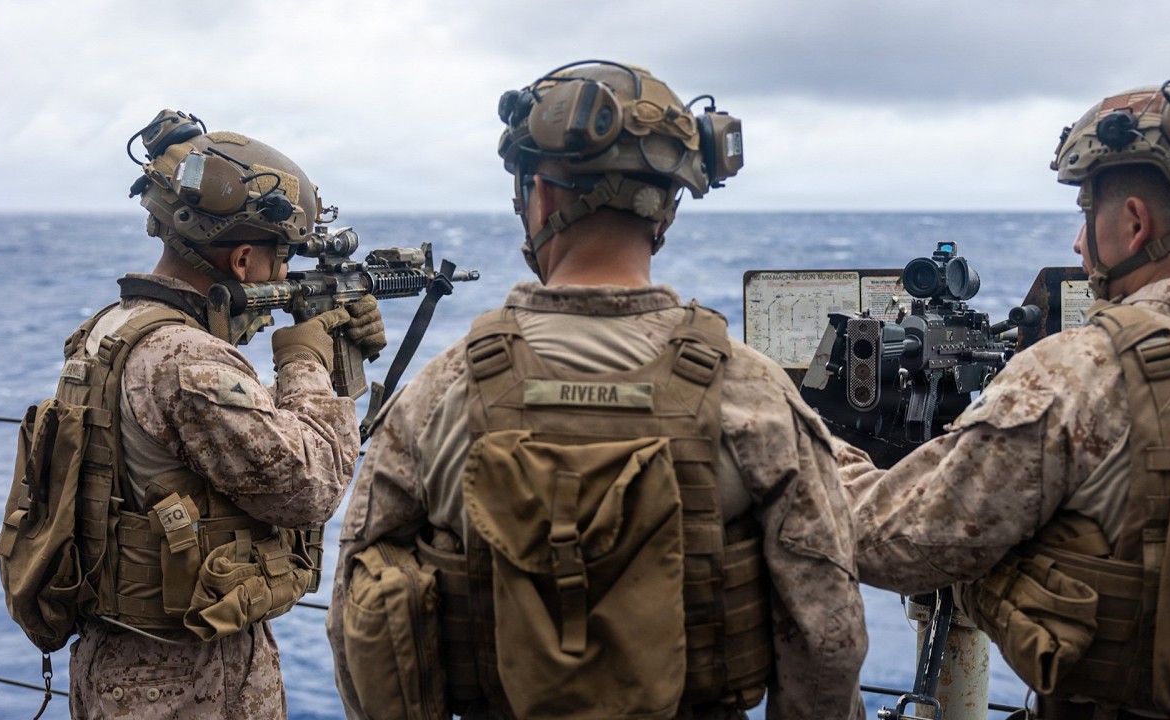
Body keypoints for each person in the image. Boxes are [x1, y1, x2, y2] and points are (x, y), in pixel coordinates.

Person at [327, 61, 867, 720]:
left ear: (541, 199)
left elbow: (358, 613)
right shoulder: (752, 391)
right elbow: (827, 634)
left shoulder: (439, 392)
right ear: (666, 207)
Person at [838, 79, 1170, 718]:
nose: (1077, 243)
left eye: (1084, 212)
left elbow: (892, 540)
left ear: (1133, 221)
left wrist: (816, 446)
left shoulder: (1082, 370)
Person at [26, 110, 383, 718]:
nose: (286, 277)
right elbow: (310, 487)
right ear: (242, 263)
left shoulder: (112, 330)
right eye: (281, 260)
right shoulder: (189, 360)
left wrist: (330, 343)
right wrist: (308, 363)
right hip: (192, 678)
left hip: (121, 657)